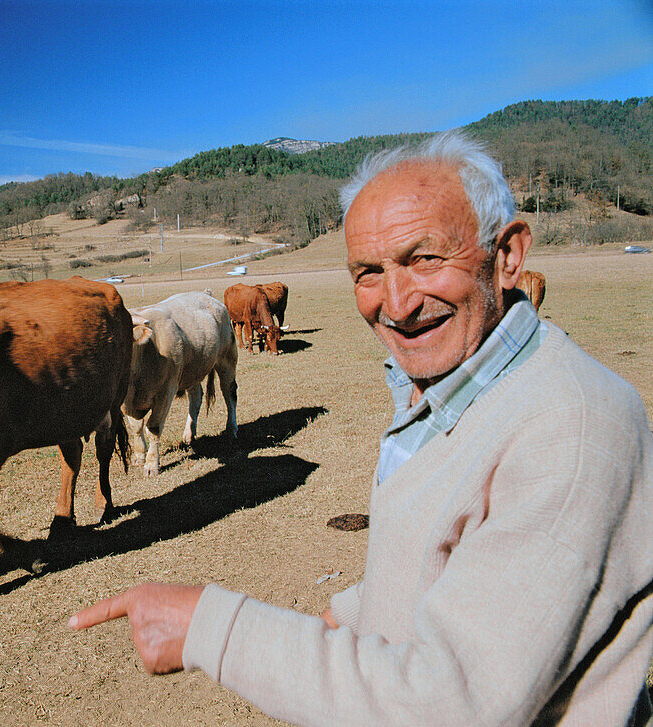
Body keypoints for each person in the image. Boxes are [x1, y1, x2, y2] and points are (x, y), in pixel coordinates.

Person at [69, 130, 653, 726]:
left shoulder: (571, 430)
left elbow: (451, 704)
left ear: (506, 256)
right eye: (368, 272)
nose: (395, 304)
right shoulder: (452, 392)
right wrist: (348, 618)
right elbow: (435, 567)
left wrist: (211, 628)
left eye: (425, 259)